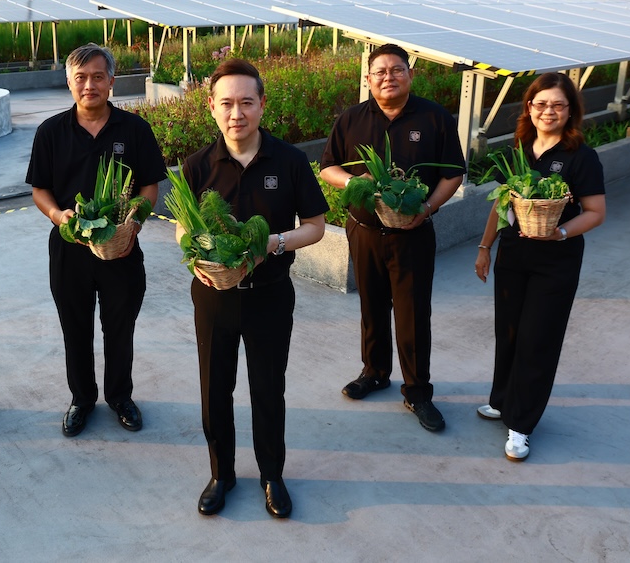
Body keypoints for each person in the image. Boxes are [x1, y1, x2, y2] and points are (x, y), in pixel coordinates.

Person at [178, 59, 328, 518]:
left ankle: (271, 475)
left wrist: (273, 243)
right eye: (226, 103)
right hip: (214, 297)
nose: (236, 113)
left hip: (270, 295)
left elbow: (316, 226)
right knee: (214, 389)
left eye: (246, 102)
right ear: (211, 107)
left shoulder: (290, 161)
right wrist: (195, 258)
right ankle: (221, 474)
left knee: (267, 389)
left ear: (262, 104)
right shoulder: (197, 166)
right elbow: (183, 228)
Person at [320, 43, 465, 432]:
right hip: (364, 231)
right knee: (371, 306)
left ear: (410, 74)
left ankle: (417, 391)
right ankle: (375, 372)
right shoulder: (351, 119)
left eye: (397, 69)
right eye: (380, 72)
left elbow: (453, 173)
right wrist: (355, 182)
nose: (389, 77)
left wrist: (427, 208)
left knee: (413, 313)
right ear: (368, 79)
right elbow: (328, 167)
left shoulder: (434, 118)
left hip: (412, 235)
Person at [26, 43, 166, 438]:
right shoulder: (51, 131)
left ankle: (120, 396)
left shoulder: (134, 129)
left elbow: (150, 186)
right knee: (75, 329)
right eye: (81, 78)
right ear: (69, 83)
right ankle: (82, 399)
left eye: (98, 77)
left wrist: (134, 223)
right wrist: (59, 216)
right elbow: (39, 190)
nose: (90, 85)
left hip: (121, 249)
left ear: (111, 81)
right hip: (69, 250)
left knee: (120, 327)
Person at [474, 72, 606, 461]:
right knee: (509, 332)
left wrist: (560, 232)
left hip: (556, 262)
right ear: (529, 107)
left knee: (538, 339)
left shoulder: (581, 157)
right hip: (513, 257)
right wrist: (485, 247)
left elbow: (596, 212)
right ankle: (502, 400)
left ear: (571, 111)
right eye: (541, 103)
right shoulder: (517, 150)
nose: (549, 111)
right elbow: (501, 205)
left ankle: (521, 424)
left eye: (558, 105)